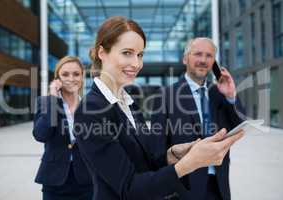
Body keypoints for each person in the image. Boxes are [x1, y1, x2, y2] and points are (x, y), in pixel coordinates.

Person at [73, 17, 244, 200]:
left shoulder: (129, 104)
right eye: (127, 53)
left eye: (140, 55)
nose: (136, 64)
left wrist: (172, 155)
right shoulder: (90, 110)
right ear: (102, 53)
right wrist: (189, 164)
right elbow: (128, 188)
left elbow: (144, 163)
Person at [150, 37, 246, 200]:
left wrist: (231, 96)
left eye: (209, 56)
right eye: (198, 54)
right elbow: (157, 149)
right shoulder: (166, 95)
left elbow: (239, 124)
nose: (203, 60)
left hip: (219, 184)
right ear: (185, 58)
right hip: (183, 188)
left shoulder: (219, 92)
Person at [32, 56, 93, 200]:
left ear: (82, 77)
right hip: (54, 180)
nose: (71, 78)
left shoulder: (90, 106)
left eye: (76, 74)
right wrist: (53, 98)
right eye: (65, 74)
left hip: (87, 180)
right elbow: (41, 135)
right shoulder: (45, 102)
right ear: (57, 78)